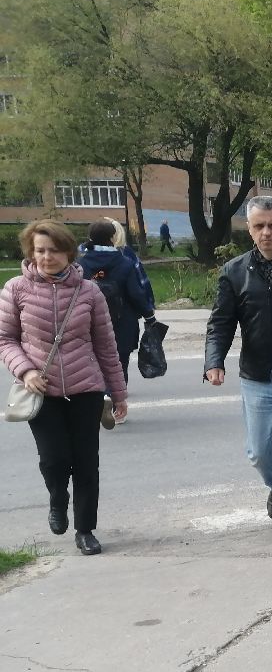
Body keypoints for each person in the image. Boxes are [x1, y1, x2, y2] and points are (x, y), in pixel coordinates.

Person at [0, 220, 128, 555]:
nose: (46, 257)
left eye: (53, 250)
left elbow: (106, 347)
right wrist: (26, 371)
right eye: (40, 250)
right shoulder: (16, 289)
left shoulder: (89, 292)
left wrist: (118, 392)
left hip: (85, 389)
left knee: (87, 462)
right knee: (55, 460)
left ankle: (85, 529)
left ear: (69, 252)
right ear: (31, 252)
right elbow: (5, 340)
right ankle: (58, 498)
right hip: (41, 392)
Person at [205, 195, 272, 541]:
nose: (267, 233)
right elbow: (220, 322)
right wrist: (213, 361)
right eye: (259, 226)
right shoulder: (233, 273)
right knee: (260, 452)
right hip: (256, 375)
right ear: (248, 228)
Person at [78, 220, 150, 388]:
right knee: (119, 365)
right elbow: (136, 293)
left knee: (94, 365)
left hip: (89, 324)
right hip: (122, 323)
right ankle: (116, 404)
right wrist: (149, 315)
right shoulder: (125, 263)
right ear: (112, 237)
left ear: (90, 237)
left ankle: (99, 404)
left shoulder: (80, 264)